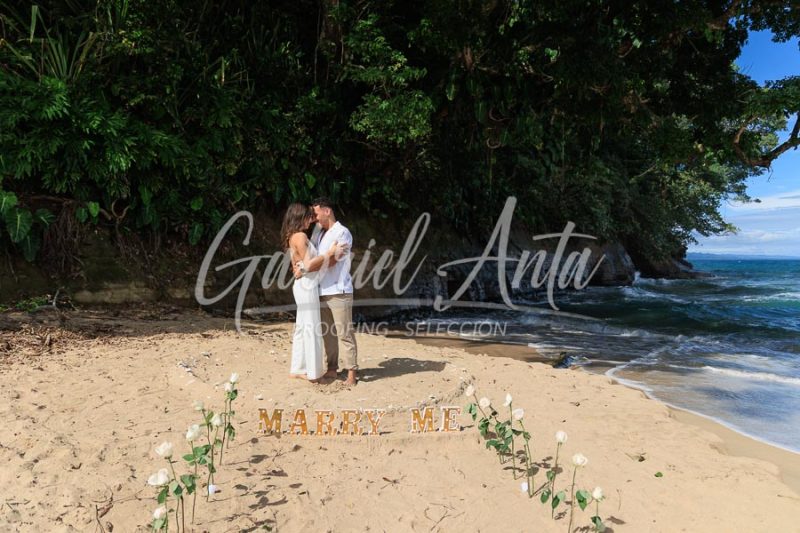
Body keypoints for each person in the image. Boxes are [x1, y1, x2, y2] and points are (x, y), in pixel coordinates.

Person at [296, 197, 358, 386]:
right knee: (327, 333)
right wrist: (307, 265)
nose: (313, 218)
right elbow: (316, 258)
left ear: (327, 211)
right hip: (320, 290)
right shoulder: (319, 235)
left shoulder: (342, 233)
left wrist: (307, 267)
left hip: (339, 290)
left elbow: (332, 261)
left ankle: (351, 373)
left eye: (315, 214)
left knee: (344, 332)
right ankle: (331, 368)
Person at [281, 202, 344, 383]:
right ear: (301, 217)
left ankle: (297, 368)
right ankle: (313, 373)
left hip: (303, 284)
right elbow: (309, 264)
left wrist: (303, 267)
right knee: (311, 328)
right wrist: (330, 252)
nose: (312, 219)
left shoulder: (293, 236)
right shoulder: (300, 236)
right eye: (309, 216)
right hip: (307, 285)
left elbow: (303, 265)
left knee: (303, 327)